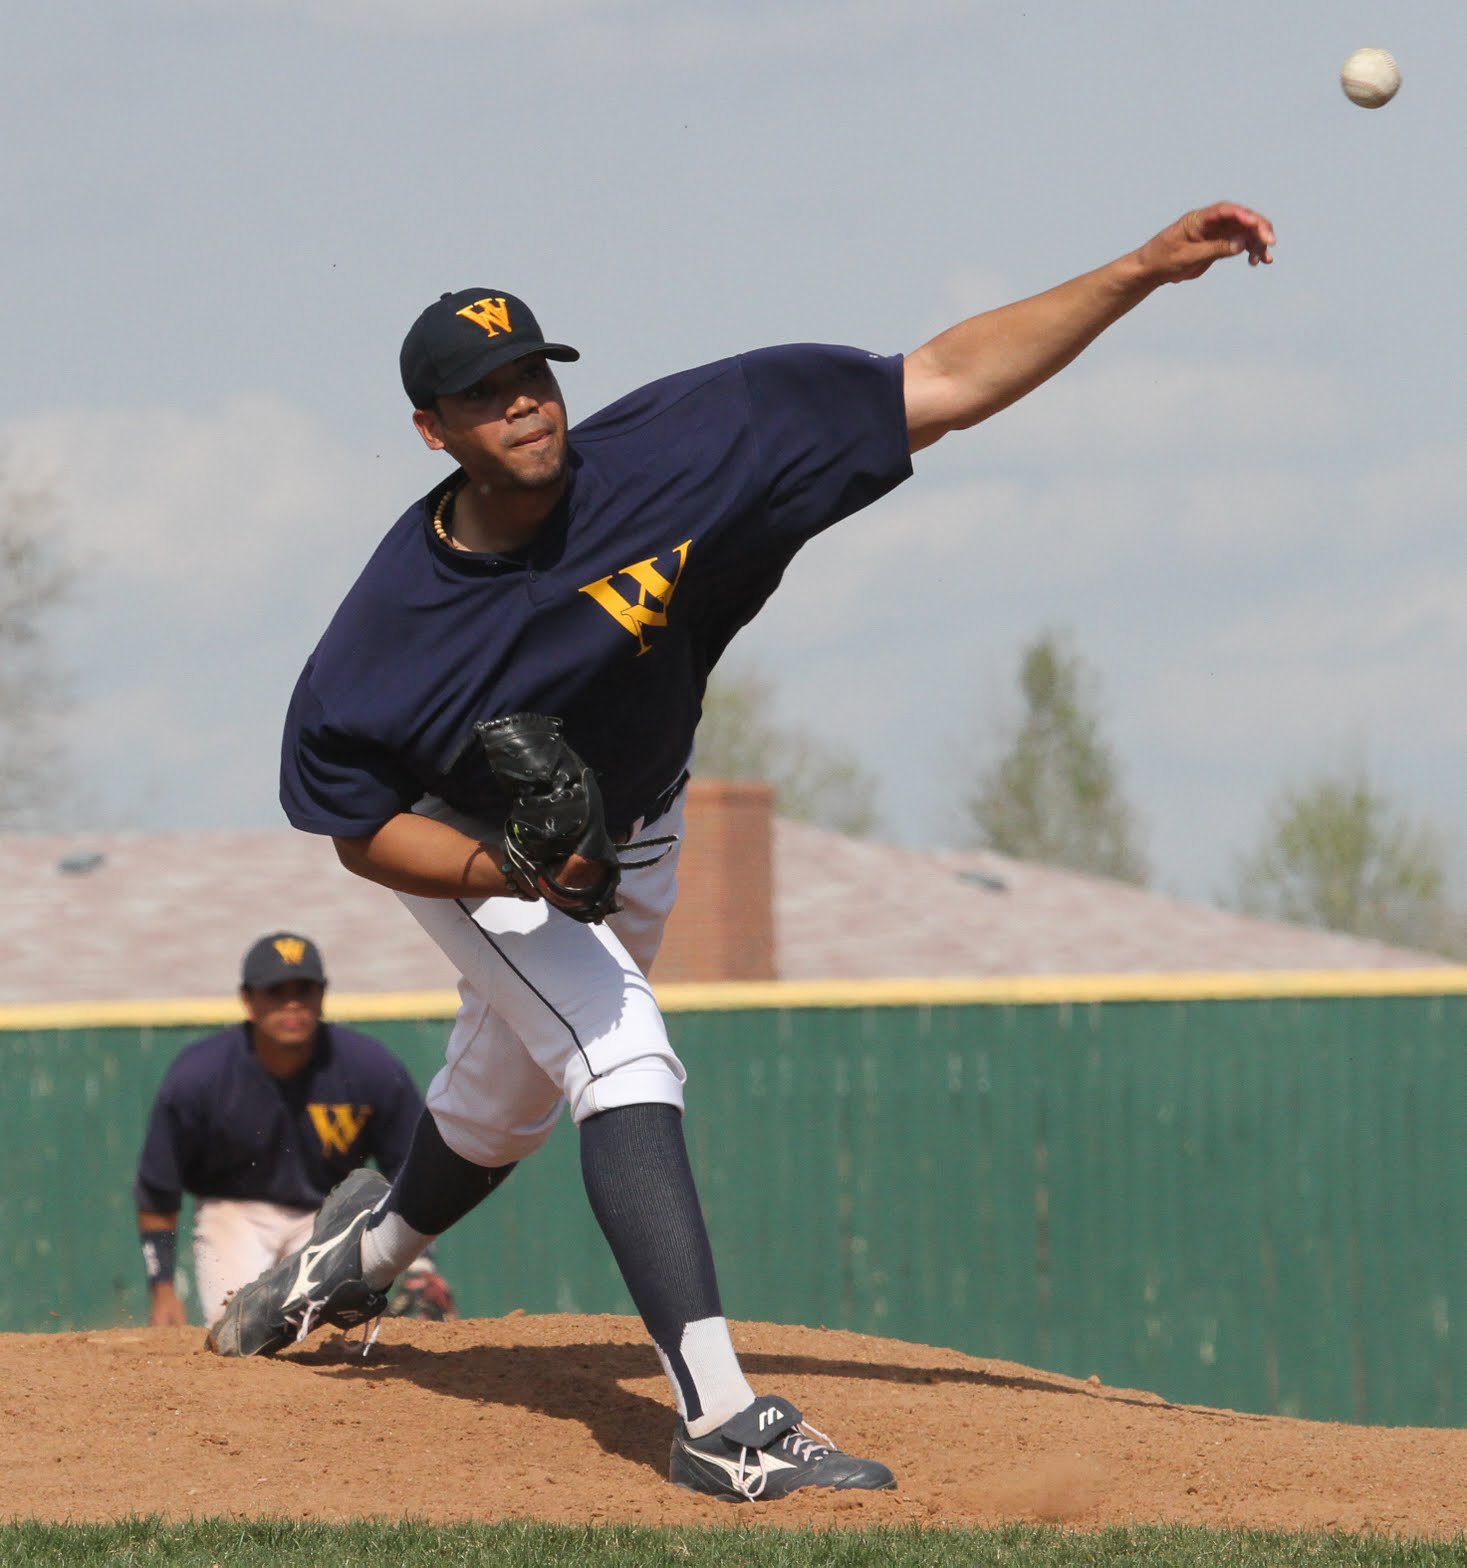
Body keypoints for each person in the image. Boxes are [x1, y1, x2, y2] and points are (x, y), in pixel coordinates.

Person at [209, 203, 1275, 1500]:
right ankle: (718, 1420)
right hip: (488, 857)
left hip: (637, 829)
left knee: (499, 1110)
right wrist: (503, 877)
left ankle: (346, 1266)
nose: (522, 407)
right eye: (481, 397)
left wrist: (1136, 272)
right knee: (618, 1052)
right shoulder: (388, 637)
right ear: (432, 433)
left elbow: (936, 383)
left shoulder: (694, 444)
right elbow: (357, 826)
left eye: (531, 376)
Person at [135, 931, 454, 1330]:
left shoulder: (368, 1067)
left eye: (304, 990)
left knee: (327, 1337)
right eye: (275, 991)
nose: (292, 1003)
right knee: (234, 1329)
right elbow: (157, 1191)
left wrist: (420, 1262)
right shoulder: (200, 1075)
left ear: (322, 996)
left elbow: (409, 1167)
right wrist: (161, 1287)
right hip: (234, 1214)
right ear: (249, 1001)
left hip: (330, 1216)